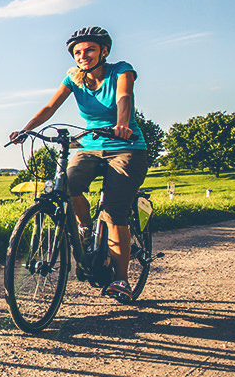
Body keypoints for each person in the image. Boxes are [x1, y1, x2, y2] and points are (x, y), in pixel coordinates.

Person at [9, 26, 148, 304]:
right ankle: (84, 227)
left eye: (89, 50)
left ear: (104, 51)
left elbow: (124, 97)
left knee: (113, 211)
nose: (83, 56)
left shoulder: (122, 70)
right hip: (90, 145)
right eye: (78, 52)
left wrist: (122, 124)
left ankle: (121, 279)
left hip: (126, 146)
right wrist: (26, 129)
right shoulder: (74, 78)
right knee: (66, 186)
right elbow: (50, 107)